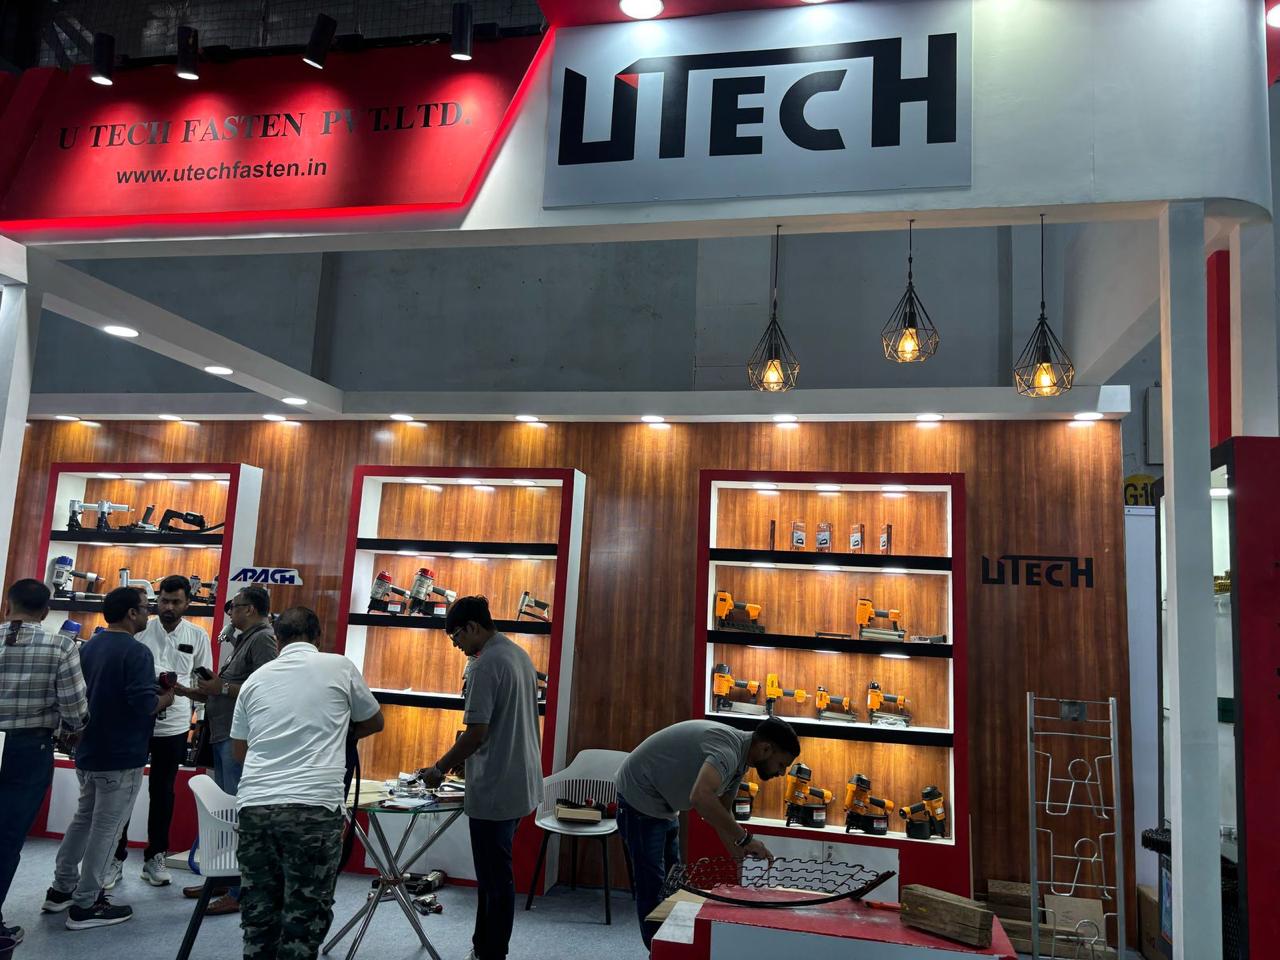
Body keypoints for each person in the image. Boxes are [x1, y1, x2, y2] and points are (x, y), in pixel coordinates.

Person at [231, 606, 383, 960]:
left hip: (256, 808)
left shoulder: (255, 680)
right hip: (313, 809)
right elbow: (375, 721)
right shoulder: (339, 666)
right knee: (305, 915)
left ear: (278, 639)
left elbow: (240, 752)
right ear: (318, 637)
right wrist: (340, 734)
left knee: (259, 913)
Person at [419, 595, 543, 960]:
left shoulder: (484, 665)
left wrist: (439, 768)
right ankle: (483, 946)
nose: (455, 645)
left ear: (472, 627)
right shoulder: (518, 654)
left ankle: (492, 953)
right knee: (494, 876)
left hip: (496, 789)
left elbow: (476, 733)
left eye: (455, 636)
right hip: (521, 783)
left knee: (495, 880)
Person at [43, 587, 174, 929]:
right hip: (122, 755)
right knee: (108, 829)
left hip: (89, 750)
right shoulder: (138, 652)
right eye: (145, 607)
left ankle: (61, 889)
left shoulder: (89, 646)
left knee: (83, 820)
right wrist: (166, 699)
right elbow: (144, 705)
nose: (149, 613)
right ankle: (87, 904)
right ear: (131, 613)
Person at [615, 716, 799, 948]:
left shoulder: (741, 760)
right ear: (765, 749)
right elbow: (701, 798)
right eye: (781, 764)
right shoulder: (728, 752)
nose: (781, 773)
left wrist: (739, 859)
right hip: (640, 799)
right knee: (652, 886)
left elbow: (722, 812)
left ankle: (670, 947)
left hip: (665, 804)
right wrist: (746, 839)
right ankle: (657, 951)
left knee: (673, 882)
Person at [0, 579, 89, 944]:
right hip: (28, 748)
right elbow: (75, 710)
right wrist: (72, 729)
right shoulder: (60, 646)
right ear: (46, 611)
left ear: (8, 606)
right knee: (6, 838)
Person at [113, 574, 213, 887]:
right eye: (164, 601)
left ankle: (156, 856)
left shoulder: (197, 635)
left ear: (187, 603)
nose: (168, 607)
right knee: (124, 789)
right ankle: (115, 858)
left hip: (175, 725)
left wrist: (189, 703)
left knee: (163, 791)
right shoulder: (140, 630)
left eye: (175, 602)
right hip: (136, 720)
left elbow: (204, 684)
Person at [183, 585, 277, 915]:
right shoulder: (243, 640)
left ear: (249, 609)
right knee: (225, 812)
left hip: (239, 738)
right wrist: (196, 689)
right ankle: (223, 878)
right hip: (224, 733)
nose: (230, 613)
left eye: (234, 607)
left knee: (237, 812)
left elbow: (265, 687)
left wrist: (221, 686)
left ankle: (239, 890)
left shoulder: (263, 639)